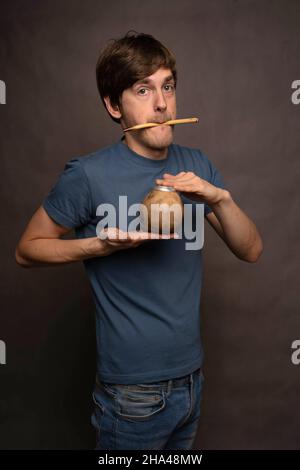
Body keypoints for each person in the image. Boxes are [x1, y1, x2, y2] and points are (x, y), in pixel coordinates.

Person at [15, 31, 263, 450]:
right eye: (143, 90)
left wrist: (220, 198)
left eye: (167, 86)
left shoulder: (197, 165)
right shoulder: (88, 175)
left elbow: (251, 250)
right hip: (132, 395)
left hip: (192, 381)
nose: (162, 104)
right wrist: (99, 246)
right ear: (114, 106)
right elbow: (26, 250)